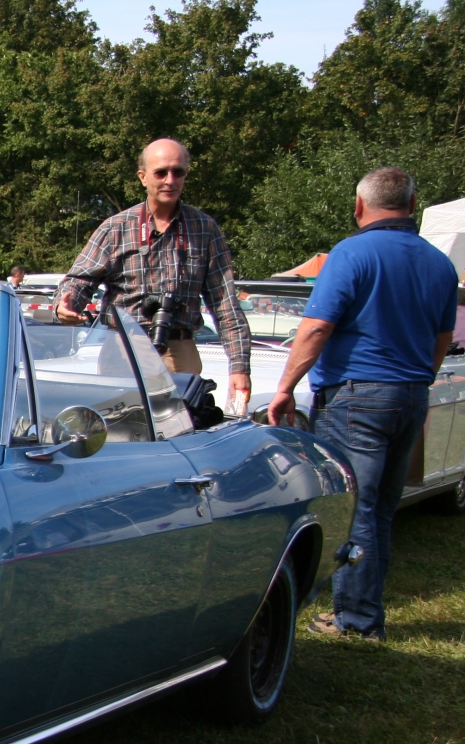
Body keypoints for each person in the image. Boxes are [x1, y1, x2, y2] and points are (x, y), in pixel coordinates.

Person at [268, 167, 457, 641]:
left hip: (357, 396)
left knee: (354, 507)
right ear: (412, 206)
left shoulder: (351, 254)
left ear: (358, 206)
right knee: (382, 510)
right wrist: (420, 379)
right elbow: (443, 337)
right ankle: (363, 608)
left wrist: (287, 386)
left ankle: (356, 618)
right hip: (411, 393)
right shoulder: (439, 263)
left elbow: (315, 328)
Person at [56, 138, 252, 407]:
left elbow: (225, 303)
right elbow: (78, 280)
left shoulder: (204, 229)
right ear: (143, 177)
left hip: (180, 348)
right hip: (124, 348)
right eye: (161, 172)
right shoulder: (116, 228)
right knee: (122, 430)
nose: (170, 180)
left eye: (178, 172)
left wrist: (240, 367)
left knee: (179, 429)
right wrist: (65, 304)